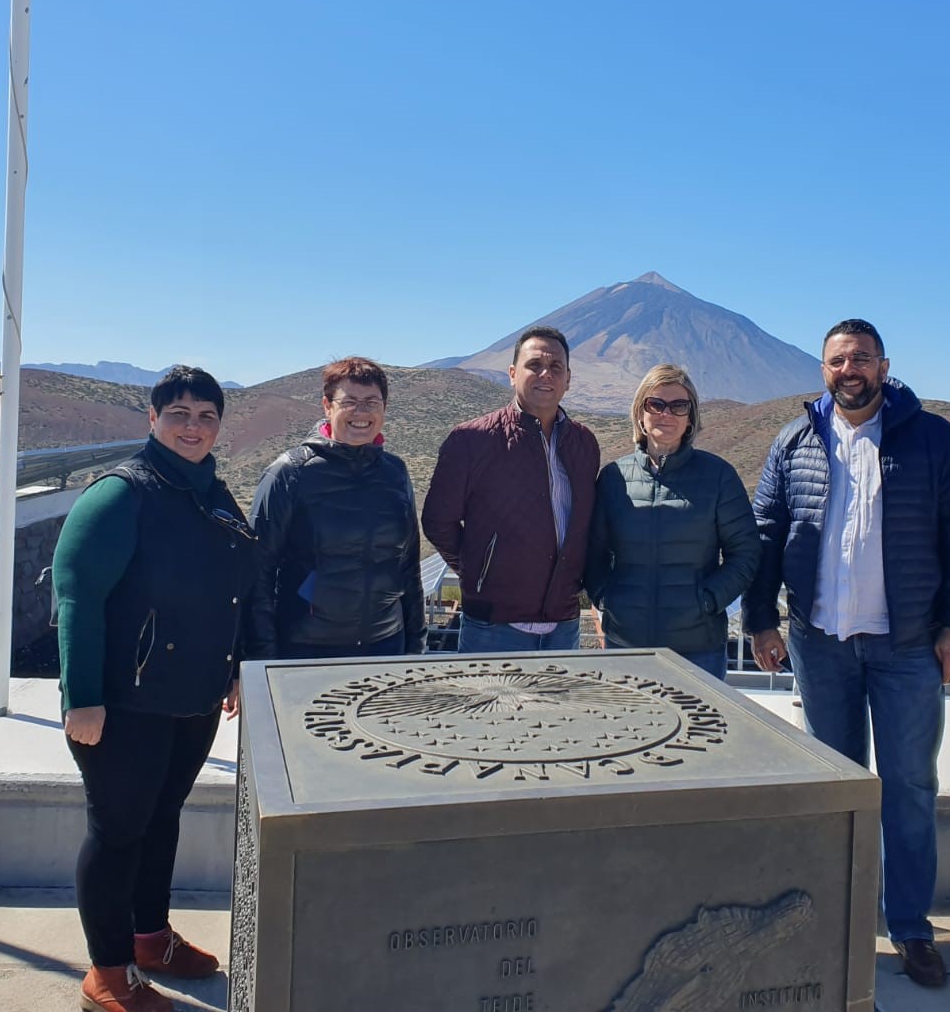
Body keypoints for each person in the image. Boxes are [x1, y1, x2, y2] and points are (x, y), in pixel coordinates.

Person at [743, 318, 950, 989]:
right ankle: (837, 922)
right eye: (837, 360)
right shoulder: (795, 440)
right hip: (819, 643)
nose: (849, 370)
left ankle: (909, 927)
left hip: (907, 645)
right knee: (834, 791)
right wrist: (760, 619)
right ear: (822, 369)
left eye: (861, 359)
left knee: (909, 787)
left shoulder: (932, 438)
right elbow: (766, 534)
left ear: (883, 365)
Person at [54, 366, 255, 1012]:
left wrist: (233, 665)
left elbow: (234, 589)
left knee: (161, 820)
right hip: (123, 705)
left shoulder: (213, 493)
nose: (193, 427)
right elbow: (77, 597)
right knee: (117, 834)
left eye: (206, 416)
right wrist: (82, 696)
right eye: (179, 414)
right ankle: (107, 974)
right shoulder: (121, 494)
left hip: (191, 699)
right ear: (152, 419)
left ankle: (149, 939)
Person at [422, 325, 600, 652]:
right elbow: (437, 520)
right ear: (513, 374)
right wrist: (480, 575)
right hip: (492, 627)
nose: (546, 374)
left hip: (564, 625)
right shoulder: (471, 440)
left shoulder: (584, 443)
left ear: (568, 379)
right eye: (534, 365)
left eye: (556, 366)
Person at [585, 364, 760, 679]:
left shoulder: (718, 477)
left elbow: (745, 552)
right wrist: (607, 600)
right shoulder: (613, 478)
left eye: (679, 406)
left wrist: (708, 601)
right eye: (656, 404)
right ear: (640, 413)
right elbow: (593, 553)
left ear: (690, 417)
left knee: (698, 716)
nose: (666, 414)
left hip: (698, 646)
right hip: (626, 643)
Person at [247, 357, 425, 660]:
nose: (361, 412)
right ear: (327, 406)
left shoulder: (395, 472)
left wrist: (415, 644)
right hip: (307, 646)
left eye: (371, 402)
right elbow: (258, 572)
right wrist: (262, 657)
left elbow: (408, 566)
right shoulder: (290, 473)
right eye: (349, 401)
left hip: (385, 643)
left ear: (384, 408)